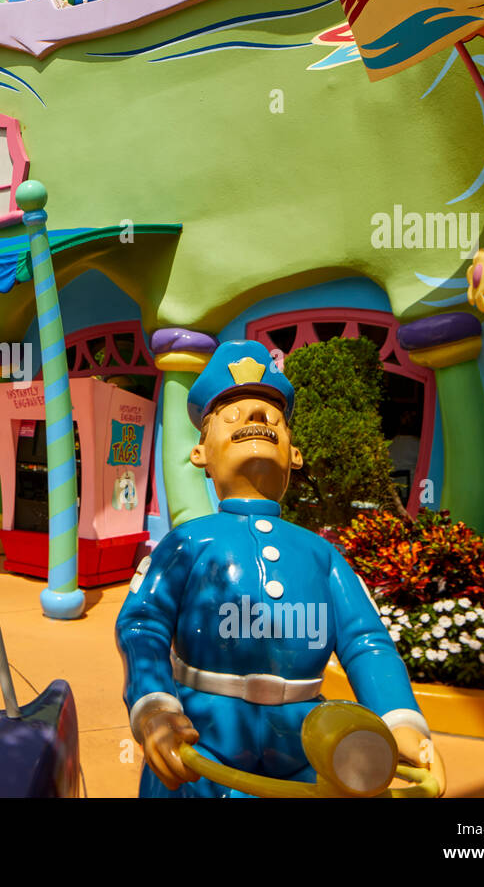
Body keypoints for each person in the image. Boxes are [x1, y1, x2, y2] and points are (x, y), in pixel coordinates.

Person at [116, 339, 445, 798]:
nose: (255, 419)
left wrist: (399, 721)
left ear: (295, 454)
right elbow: (142, 624)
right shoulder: (186, 543)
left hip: (307, 748)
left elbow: (367, 642)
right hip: (200, 742)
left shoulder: (321, 554)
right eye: (232, 417)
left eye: (272, 417)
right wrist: (154, 706)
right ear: (199, 455)